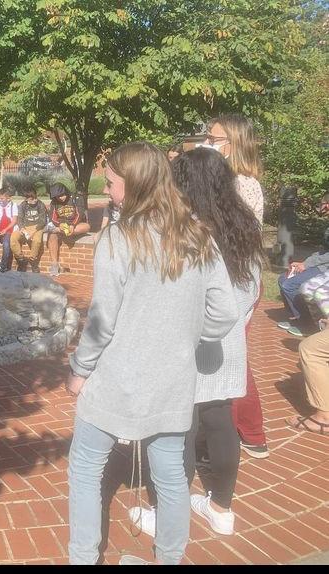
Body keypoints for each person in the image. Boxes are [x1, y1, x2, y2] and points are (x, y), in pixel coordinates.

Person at [66, 142, 238, 566]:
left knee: (85, 468)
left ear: (136, 184)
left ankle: (83, 558)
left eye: (111, 183)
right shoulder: (198, 236)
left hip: (115, 380)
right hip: (172, 380)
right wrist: (187, 336)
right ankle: (168, 559)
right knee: (172, 477)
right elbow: (224, 312)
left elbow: (102, 320)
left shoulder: (117, 238)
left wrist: (80, 370)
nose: (106, 190)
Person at [129, 147, 265, 539]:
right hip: (227, 341)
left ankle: (164, 512)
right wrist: (234, 324)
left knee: (179, 428)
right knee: (220, 421)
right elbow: (253, 289)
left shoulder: (183, 231)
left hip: (186, 340)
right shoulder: (245, 227)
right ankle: (222, 509)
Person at [204, 114, 269, 460]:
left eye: (215, 139)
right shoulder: (226, 180)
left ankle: (251, 431)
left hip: (239, 280)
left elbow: (234, 236)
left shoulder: (242, 184)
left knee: (232, 355)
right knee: (226, 354)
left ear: (234, 143)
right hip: (228, 277)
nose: (209, 143)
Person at [277, 193, 329, 337]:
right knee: (283, 279)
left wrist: (307, 265)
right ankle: (298, 316)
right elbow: (323, 251)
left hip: (325, 269)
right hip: (320, 264)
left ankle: (308, 324)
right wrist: (304, 262)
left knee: (290, 285)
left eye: (322, 205)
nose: (321, 209)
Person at [46, 183, 90, 276]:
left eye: (62, 195)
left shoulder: (76, 198)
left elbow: (80, 214)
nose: (61, 198)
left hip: (75, 225)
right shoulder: (54, 202)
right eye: (58, 196)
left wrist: (72, 225)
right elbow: (52, 217)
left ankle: (61, 231)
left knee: (87, 226)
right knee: (52, 235)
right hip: (61, 225)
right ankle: (54, 265)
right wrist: (60, 224)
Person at [10, 181, 49, 273]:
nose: (34, 200)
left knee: (37, 241)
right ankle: (21, 259)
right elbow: (20, 219)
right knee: (13, 238)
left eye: (35, 197)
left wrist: (33, 231)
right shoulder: (23, 205)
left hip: (37, 227)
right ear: (26, 199)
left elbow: (43, 221)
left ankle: (33, 260)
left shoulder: (40, 204)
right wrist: (22, 228)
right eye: (31, 199)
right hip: (25, 227)